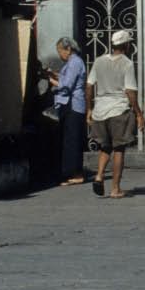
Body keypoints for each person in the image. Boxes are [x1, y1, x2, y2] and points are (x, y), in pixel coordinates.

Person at [86, 30, 143, 199]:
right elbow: (130, 91)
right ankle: (115, 188)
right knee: (119, 148)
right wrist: (139, 113)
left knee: (105, 146)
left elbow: (89, 87)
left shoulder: (99, 61)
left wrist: (89, 109)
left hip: (100, 110)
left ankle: (99, 175)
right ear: (126, 45)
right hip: (119, 109)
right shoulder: (127, 63)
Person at [47, 38, 87, 186]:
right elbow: (66, 78)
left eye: (60, 51)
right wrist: (54, 74)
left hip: (73, 105)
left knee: (72, 140)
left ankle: (75, 173)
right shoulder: (71, 63)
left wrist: (51, 81)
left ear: (68, 49)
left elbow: (66, 85)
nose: (59, 55)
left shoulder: (75, 62)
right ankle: (72, 172)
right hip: (69, 105)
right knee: (68, 139)